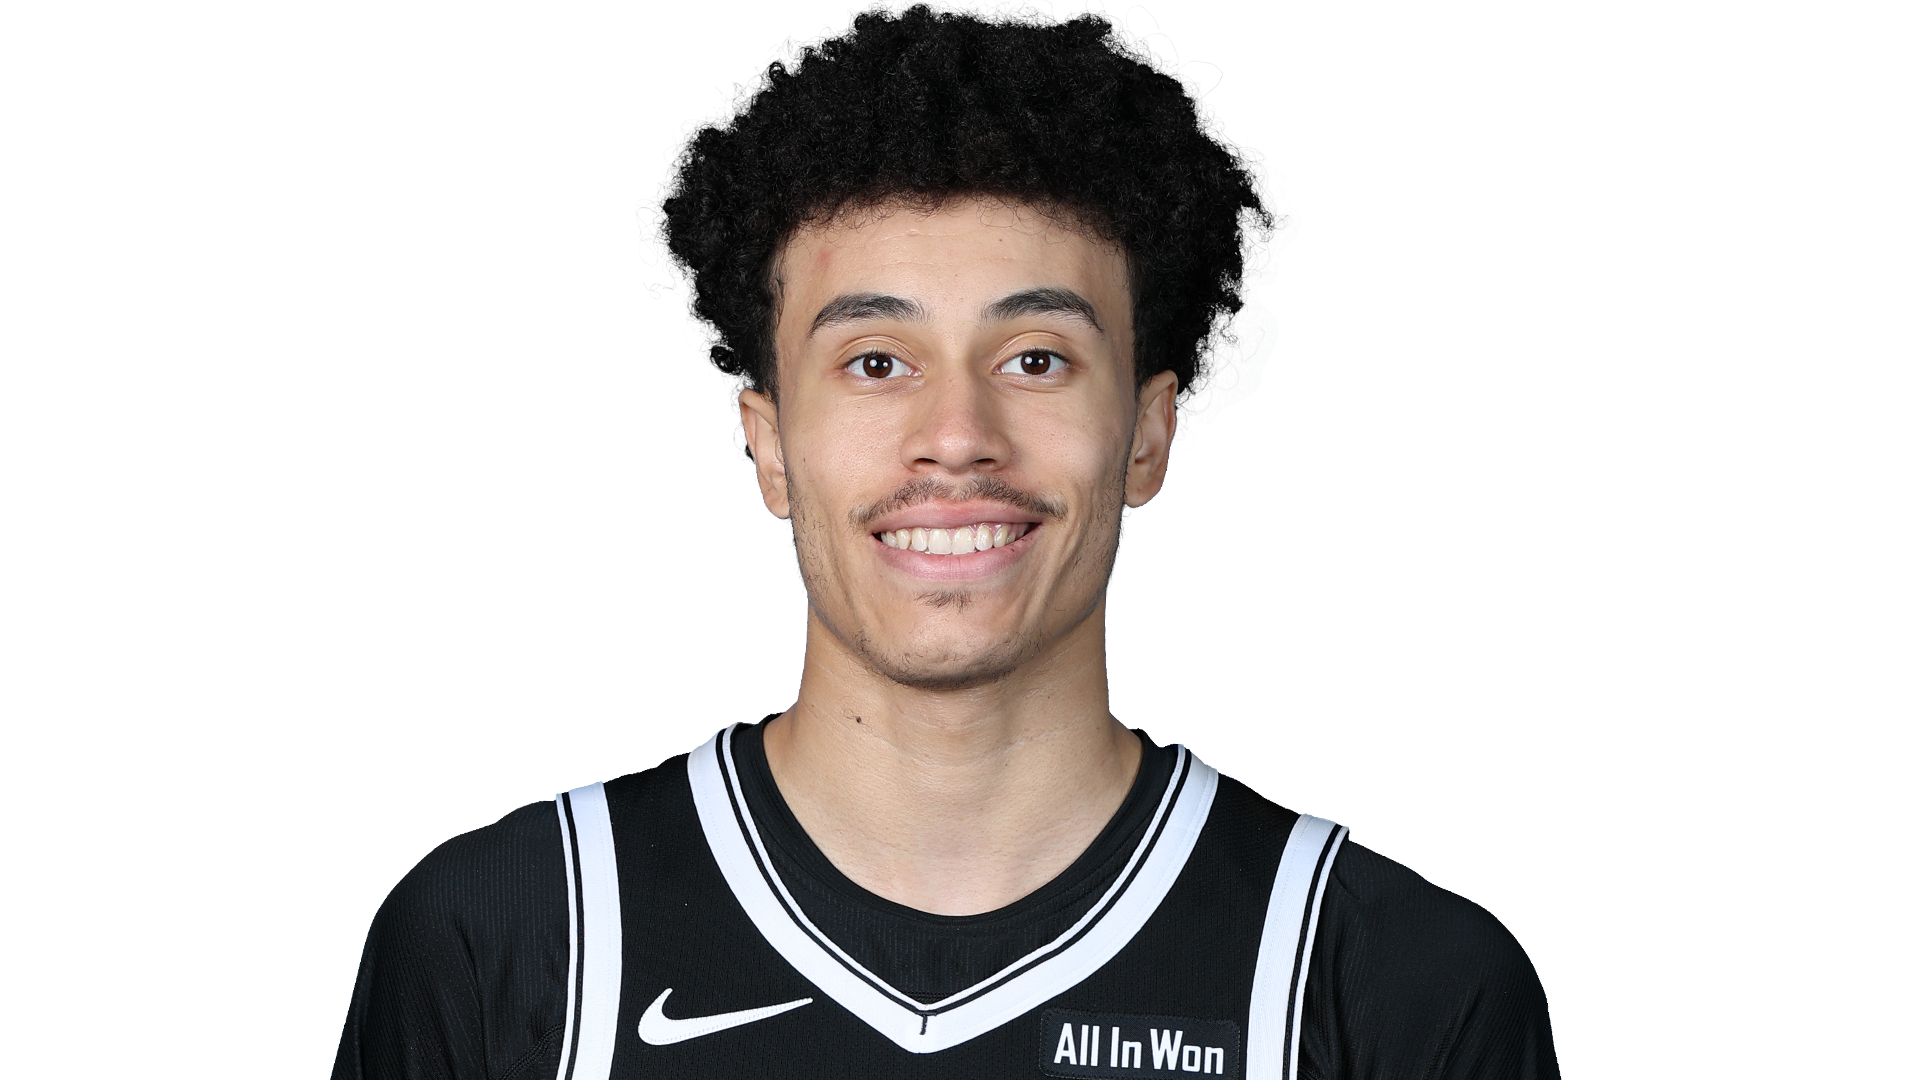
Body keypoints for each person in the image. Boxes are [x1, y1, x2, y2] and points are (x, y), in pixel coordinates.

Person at [338, 7, 1555, 1078]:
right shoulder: (509, 944)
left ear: (1146, 434)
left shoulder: (1389, 988)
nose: (958, 435)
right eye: (876, 362)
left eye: (1036, 359)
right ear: (770, 446)